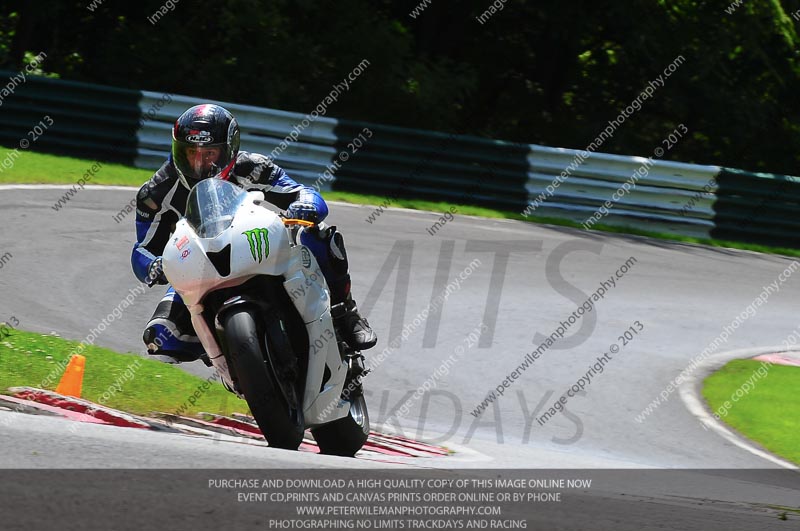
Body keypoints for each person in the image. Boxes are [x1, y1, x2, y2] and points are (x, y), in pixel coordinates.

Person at [131, 103, 377, 365]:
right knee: (159, 338)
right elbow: (142, 248)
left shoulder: (253, 167)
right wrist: (153, 266)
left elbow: (302, 193)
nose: (200, 163)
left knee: (318, 235)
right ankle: (227, 354)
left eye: (210, 153)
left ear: (228, 150)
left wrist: (304, 205)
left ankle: (345, 312)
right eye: (191, 153)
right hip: (200, 266)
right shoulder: (156, 192)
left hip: (254, 245)